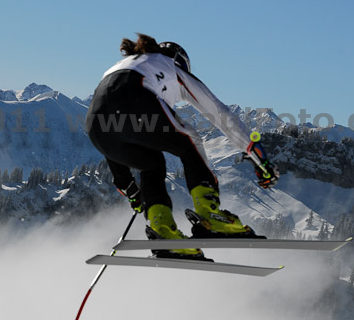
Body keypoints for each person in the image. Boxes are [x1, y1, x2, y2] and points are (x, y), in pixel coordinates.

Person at [86, 33, 279, 260]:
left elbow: (110, 122)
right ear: (180, 61)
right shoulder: (170, 66)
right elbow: (219, 113)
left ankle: (163, 230)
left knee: (151, 164)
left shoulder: (123, 65)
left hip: (94, 125)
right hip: (135, 102)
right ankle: (210, 215)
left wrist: (130, 189)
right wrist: (257, 155)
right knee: (190, 140)